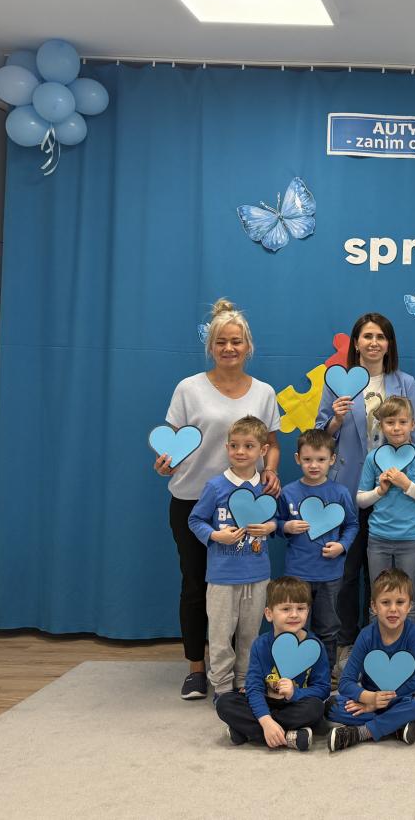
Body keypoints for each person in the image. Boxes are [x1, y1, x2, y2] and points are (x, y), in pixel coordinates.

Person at [156, 298, 281, 700]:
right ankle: (197, 668)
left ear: (248, 346)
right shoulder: (188, 389)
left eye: (236, 342)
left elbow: (273, 444)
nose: (229, 348)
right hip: (193, 501)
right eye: (221, 342)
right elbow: (171, 444)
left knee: (244, 594)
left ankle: (242, 672)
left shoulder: (264, 393)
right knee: (196, 586)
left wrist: (271, 471)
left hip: (244, 506)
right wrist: (165, 464)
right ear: (210, 346)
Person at [315, 313, 415, 675]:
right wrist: (336, 418)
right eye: (367, 336)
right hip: (349, 490)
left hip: (391, 495)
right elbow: (321, 438)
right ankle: (346, 644)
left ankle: (384, 645)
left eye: (380, 336)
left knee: (384, 578)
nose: (374, 342)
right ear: (356, 343)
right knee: (347, 574)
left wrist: (406, 483)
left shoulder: (404, 383)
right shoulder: (337, 382)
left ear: (389, 344)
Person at [186, 415, 277, 699]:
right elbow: (195, 520)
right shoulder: (216, 486)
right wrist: (216, 535)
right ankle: (223, 687)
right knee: (221, 635)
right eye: (234, 445)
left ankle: (244, 681)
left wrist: (271, 527)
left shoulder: (266, 487)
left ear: (262, 450)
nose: (240, 451)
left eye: (248, 446)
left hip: (258, 575)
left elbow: (276, 520)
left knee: (250, 634)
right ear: (227, 448)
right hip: (222, 577)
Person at [214, 576, 330, 751]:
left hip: (295, 704)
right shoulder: (260, 645)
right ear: (269, 614)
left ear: (308, 611)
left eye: (301, 608)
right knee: (225, 703)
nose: (294, 614)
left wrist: (295, 693)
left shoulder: (315, 646)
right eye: (286, 609)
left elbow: (322, 689)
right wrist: (265, 720)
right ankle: (288, 736)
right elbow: (253, 687)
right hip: (265, 702)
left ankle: (248, 732)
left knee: (316, 708)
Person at [278, 428, 359, 660]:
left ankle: (326, 670)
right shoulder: (288, 492)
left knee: (328, 627)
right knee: (295, 625)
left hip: (330, 574)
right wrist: (286, 527)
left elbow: (352, 524)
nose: (314, 465)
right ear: (297, 459)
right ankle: (295, 669)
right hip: (297, 573)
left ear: (332, 460)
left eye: (321, 459)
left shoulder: (340, 493)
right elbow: (275, 523)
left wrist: (342, 546)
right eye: (307, 460)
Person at [326, 569, 415, 749]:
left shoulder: (414, 634)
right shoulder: (366, 635)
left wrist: (377, 705)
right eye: (385, 602)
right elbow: (345, 682)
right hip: (370, 697)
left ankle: (362, 732)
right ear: (374, 606)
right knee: (332, 706)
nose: (393, 609)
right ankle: (396, 726)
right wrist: (370, 698)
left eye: (400, 602)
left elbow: (414, 683)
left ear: (409, 606)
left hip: (400, 699)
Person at [356, 396, 415, 625]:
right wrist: (379, 491)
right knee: (378, 599)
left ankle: (410, 648)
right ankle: (376, 647)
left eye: (403, 422)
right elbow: (361, 500)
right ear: (381, 425)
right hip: (378, 539)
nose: (396, 428)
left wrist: (406, 484)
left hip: (410, 540)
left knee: (408, 600)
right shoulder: (373, 458)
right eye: (390, 422)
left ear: (413, 424)